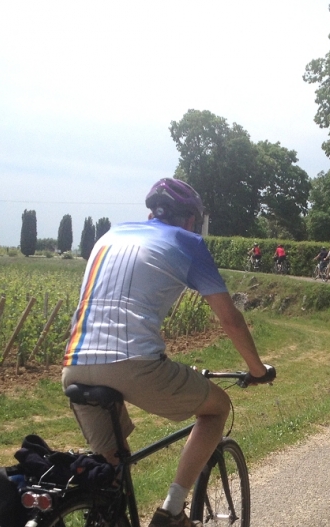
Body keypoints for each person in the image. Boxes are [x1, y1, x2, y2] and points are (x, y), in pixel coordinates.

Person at [62, 178, 276, 527]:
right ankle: (173, 510)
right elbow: (230, 319)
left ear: (150, 213)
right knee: (217, 407)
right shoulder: (187, 242)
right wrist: (257, 370)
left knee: (113, 470)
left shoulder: (109, 236)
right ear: (191, 220)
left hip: (74, 362)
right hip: (134, 364)